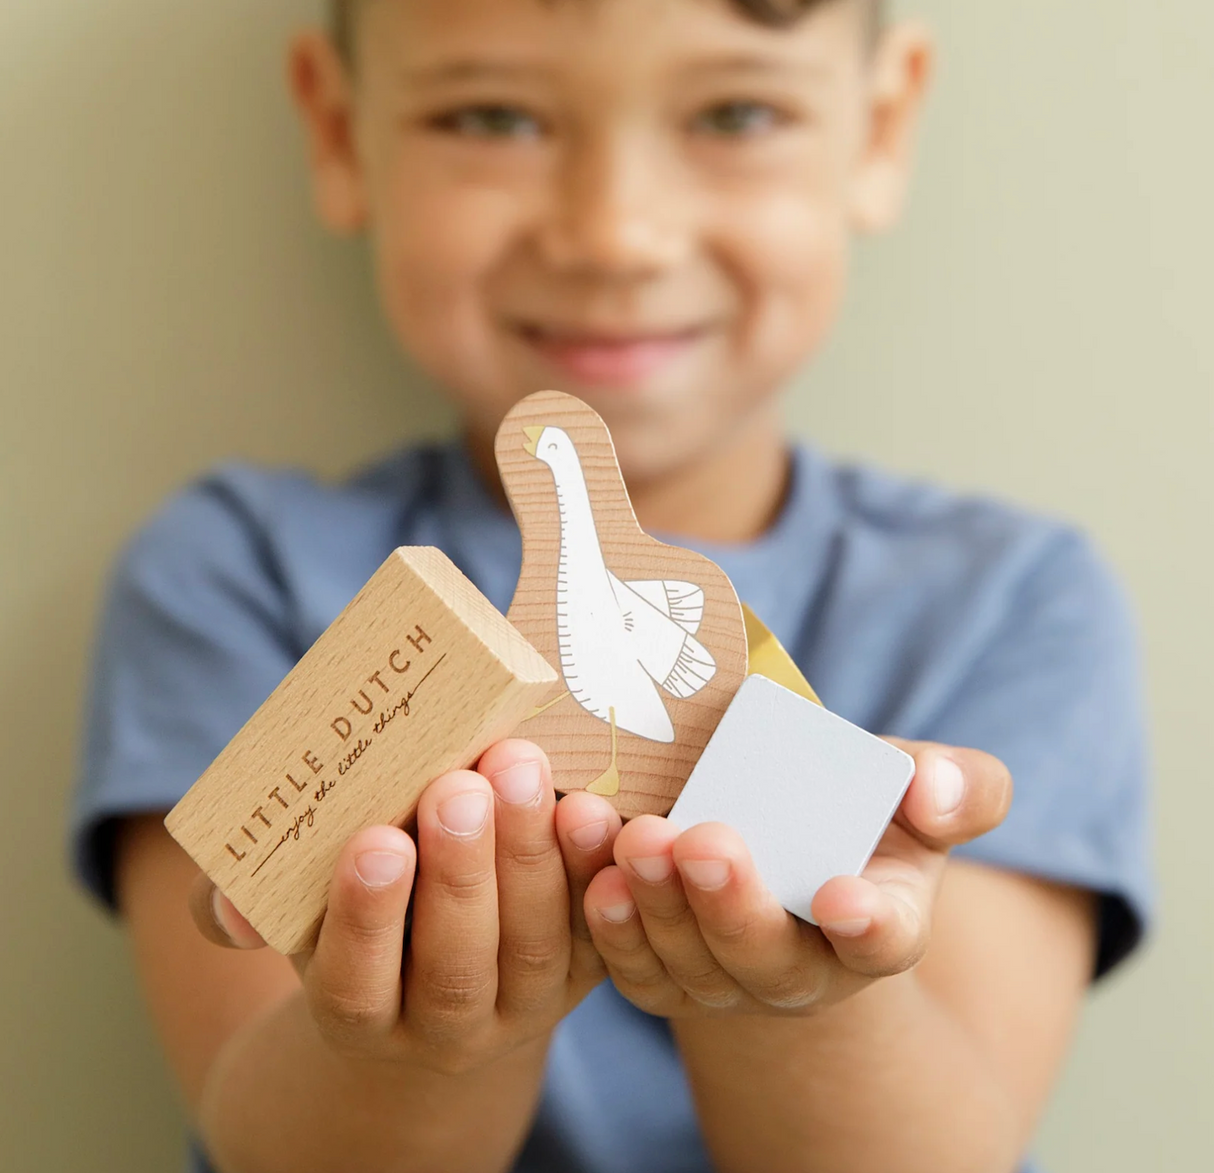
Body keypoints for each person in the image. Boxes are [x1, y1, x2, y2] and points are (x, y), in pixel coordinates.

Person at [70, 2, 1152, 1171]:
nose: (614, 236)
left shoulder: (1004, 600)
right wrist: (421, 1039)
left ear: (879, 127)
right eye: (493, 117)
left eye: (734, 113)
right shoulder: (237, 573)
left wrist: (791, 993)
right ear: (339, 134)